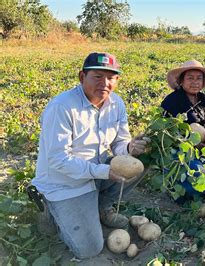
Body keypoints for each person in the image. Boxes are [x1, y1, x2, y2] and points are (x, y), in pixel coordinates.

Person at [31, 52, 150, 259]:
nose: (105, 83)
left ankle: (100, 206)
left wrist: (131, 148)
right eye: (97, 76)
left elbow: (120, 143)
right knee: (90, 249)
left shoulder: (116, 104)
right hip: (65, 185)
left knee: (140, 163)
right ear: (81, 77)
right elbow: (58, 160)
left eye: (111, 77)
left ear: (117, 80)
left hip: (97, 173)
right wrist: (106, 171)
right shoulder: (62, 107)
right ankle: (49, 211)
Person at [161, 59, 205, 200]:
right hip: (181, 154)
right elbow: (164, 131)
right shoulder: (172, 100)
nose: (195, 82)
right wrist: (187, 140)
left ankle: (201, 186)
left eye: (199, 78)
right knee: (204, 182)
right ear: (181, 80)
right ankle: (177, 186)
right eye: (190, 78)